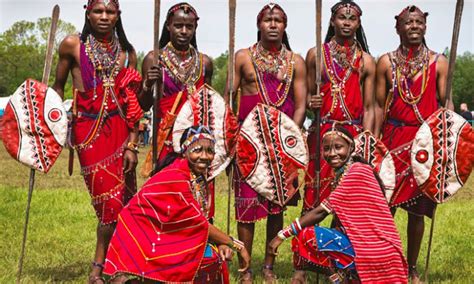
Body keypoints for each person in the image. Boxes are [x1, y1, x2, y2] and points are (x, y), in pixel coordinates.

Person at [52, 1, 142, 283]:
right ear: (87, 14)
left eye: (110, 12)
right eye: (98, 11)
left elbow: (132, 104)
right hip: (87, 129)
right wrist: (47, 121)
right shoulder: (71, 45)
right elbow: (57, 87)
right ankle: (99, 267)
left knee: (125, 200)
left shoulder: (127, 53)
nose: (104, 17)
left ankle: (118, 265)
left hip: (120, 129)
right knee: (106, 201)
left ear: (118, 16)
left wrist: (132, 144)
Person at [103, 125, 250, 283]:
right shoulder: (177, 177)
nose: (204, 156)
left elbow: (195, 223)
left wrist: (221, 243)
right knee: (208, 260)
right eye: (198, 150)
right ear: (185, 151)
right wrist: (237, 245)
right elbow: (199, 223)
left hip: (169, 234)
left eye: (210, 151)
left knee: (215, 257)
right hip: (149, 237)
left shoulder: (196, 177)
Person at [225, 3, 307, 282]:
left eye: (279, 21)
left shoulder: (295, 61)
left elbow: (300, 104)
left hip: (282, 144)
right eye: (268, 20)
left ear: (285, 26)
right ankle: (245, 267)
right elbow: (229, 99)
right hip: (249, 143)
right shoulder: (243, 57)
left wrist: (290, 139)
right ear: (259, 24)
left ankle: (269, 266)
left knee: (277, 205)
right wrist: (231, 140)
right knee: (246, 207)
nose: (273, 25)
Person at [269, 125, 408, 283]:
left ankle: (345, 279)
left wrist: (282, 235)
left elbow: (321, 212)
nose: (332, 153)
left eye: (338, 147)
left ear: (351, 147)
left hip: (375, 250)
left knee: (306, 237)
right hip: (369, 246)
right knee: (322, 235)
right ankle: (343, 278)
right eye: (327, 148)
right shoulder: (346, 173)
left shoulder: (357, 172)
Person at [374, 5, 450, 283]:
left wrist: (448, 135)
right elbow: (378, 107)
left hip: (424, 144)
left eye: (419, 22)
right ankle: (384, 263)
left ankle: (412, 267)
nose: (414, 26)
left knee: (418, 212)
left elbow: (445, 102)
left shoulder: (438, 62)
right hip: (393, 141)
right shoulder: (385, 62)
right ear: (398, 27)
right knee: (386, 207)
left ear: (425, 27)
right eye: (409, 22)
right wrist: (375, 145)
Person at [139, 2, 213, 163]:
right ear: (168, 26)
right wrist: (148, 84)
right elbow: (144, 106)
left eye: (189, 26)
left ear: (195, 28)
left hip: (197, 140)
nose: (184, 31)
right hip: (165, 139)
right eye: (178, 26)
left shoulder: (204, 63)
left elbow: (209, 107)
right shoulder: (154, 59)